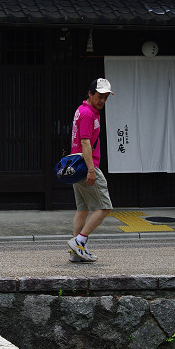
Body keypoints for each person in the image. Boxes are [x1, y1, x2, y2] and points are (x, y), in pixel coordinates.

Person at [67, 78, 114, 262]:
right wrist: (91, 170)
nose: (102, 100)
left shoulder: (83, 110)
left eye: (105, 97)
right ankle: (79, 241)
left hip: (76, 165)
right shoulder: (88, 114)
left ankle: (76, 253)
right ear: (90, 93)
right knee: (105, 207)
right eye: (99, 96)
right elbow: (85, 142)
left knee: (83, 209)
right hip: (86, 165)